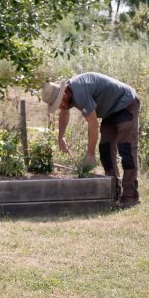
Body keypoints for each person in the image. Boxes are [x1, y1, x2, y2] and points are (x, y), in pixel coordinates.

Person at [42, 72, 140, 207]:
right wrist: (61, 137)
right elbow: (64, 113)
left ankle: (130, 196)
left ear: (64, 94)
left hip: (126, 103)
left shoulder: (80, 93)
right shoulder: (68, 94)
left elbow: (93, 124)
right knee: (105, 149)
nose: (61, 106)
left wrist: (90, 154)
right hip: (110, 111)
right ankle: (113, 192)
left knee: (126, 149)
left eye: (60, 103)